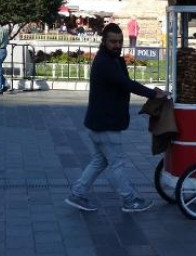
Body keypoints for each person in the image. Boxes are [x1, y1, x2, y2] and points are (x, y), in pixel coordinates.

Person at [65, 23, 167, 213]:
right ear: (104, 41)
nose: (117, 45)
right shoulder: (105, 62)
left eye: (120, 41)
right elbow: (126, 84)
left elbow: (124, 82)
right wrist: (153, 94)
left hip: (99, 122)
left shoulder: (112, 60)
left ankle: (77, 193)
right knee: (117, 164)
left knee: (99, 161)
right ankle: (130, 200)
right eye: (113, 41)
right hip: (106, 124)